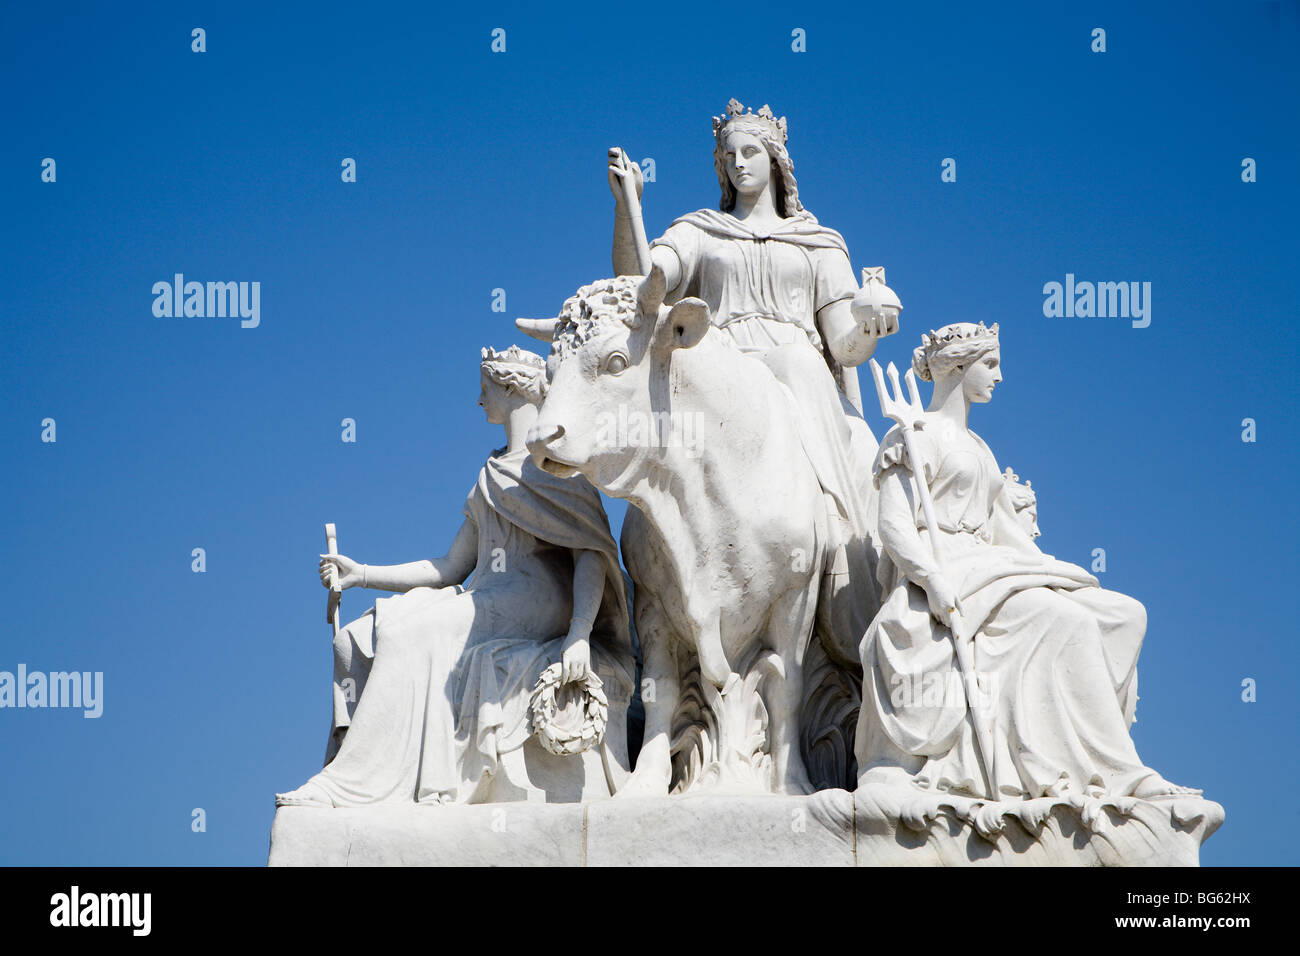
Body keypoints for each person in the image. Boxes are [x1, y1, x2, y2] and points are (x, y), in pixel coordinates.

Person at [276, 346, 635, 807]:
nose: (478, 399)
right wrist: (361, 573)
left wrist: (580, 635)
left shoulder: (557, 469)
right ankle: (351, 764)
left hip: (539, 597)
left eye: (485, 388)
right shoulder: (489, 473)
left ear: (510, 388)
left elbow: (590, 555)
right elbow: (448, 568)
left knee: (413, 636)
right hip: (488, 592)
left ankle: (359, 785)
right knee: (357, 638)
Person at [855, 322, 1199, 801]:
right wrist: (932, 579)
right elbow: (894, 526)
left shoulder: (980, 450)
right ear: (958, 366)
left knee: (1122, 615)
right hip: (949, 570)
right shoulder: (913, 434)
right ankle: (1113, 773)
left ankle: (1095, 761)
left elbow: (1010, 537)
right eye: (990, 364)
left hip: (992, 568)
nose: (999, 376)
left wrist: (1061, 575)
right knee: (1066, 621)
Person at [608, 98, 896, 658]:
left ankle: (842, 558)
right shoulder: (701, 230)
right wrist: (628, 210)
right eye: (728, 156)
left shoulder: (819, 243)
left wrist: (872, 323)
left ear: (775, 160)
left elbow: (844, 345)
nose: (738, 164)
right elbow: (642, 286)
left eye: (750, 152)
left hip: (799, 376)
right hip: (720, 371)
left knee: (860, 449)